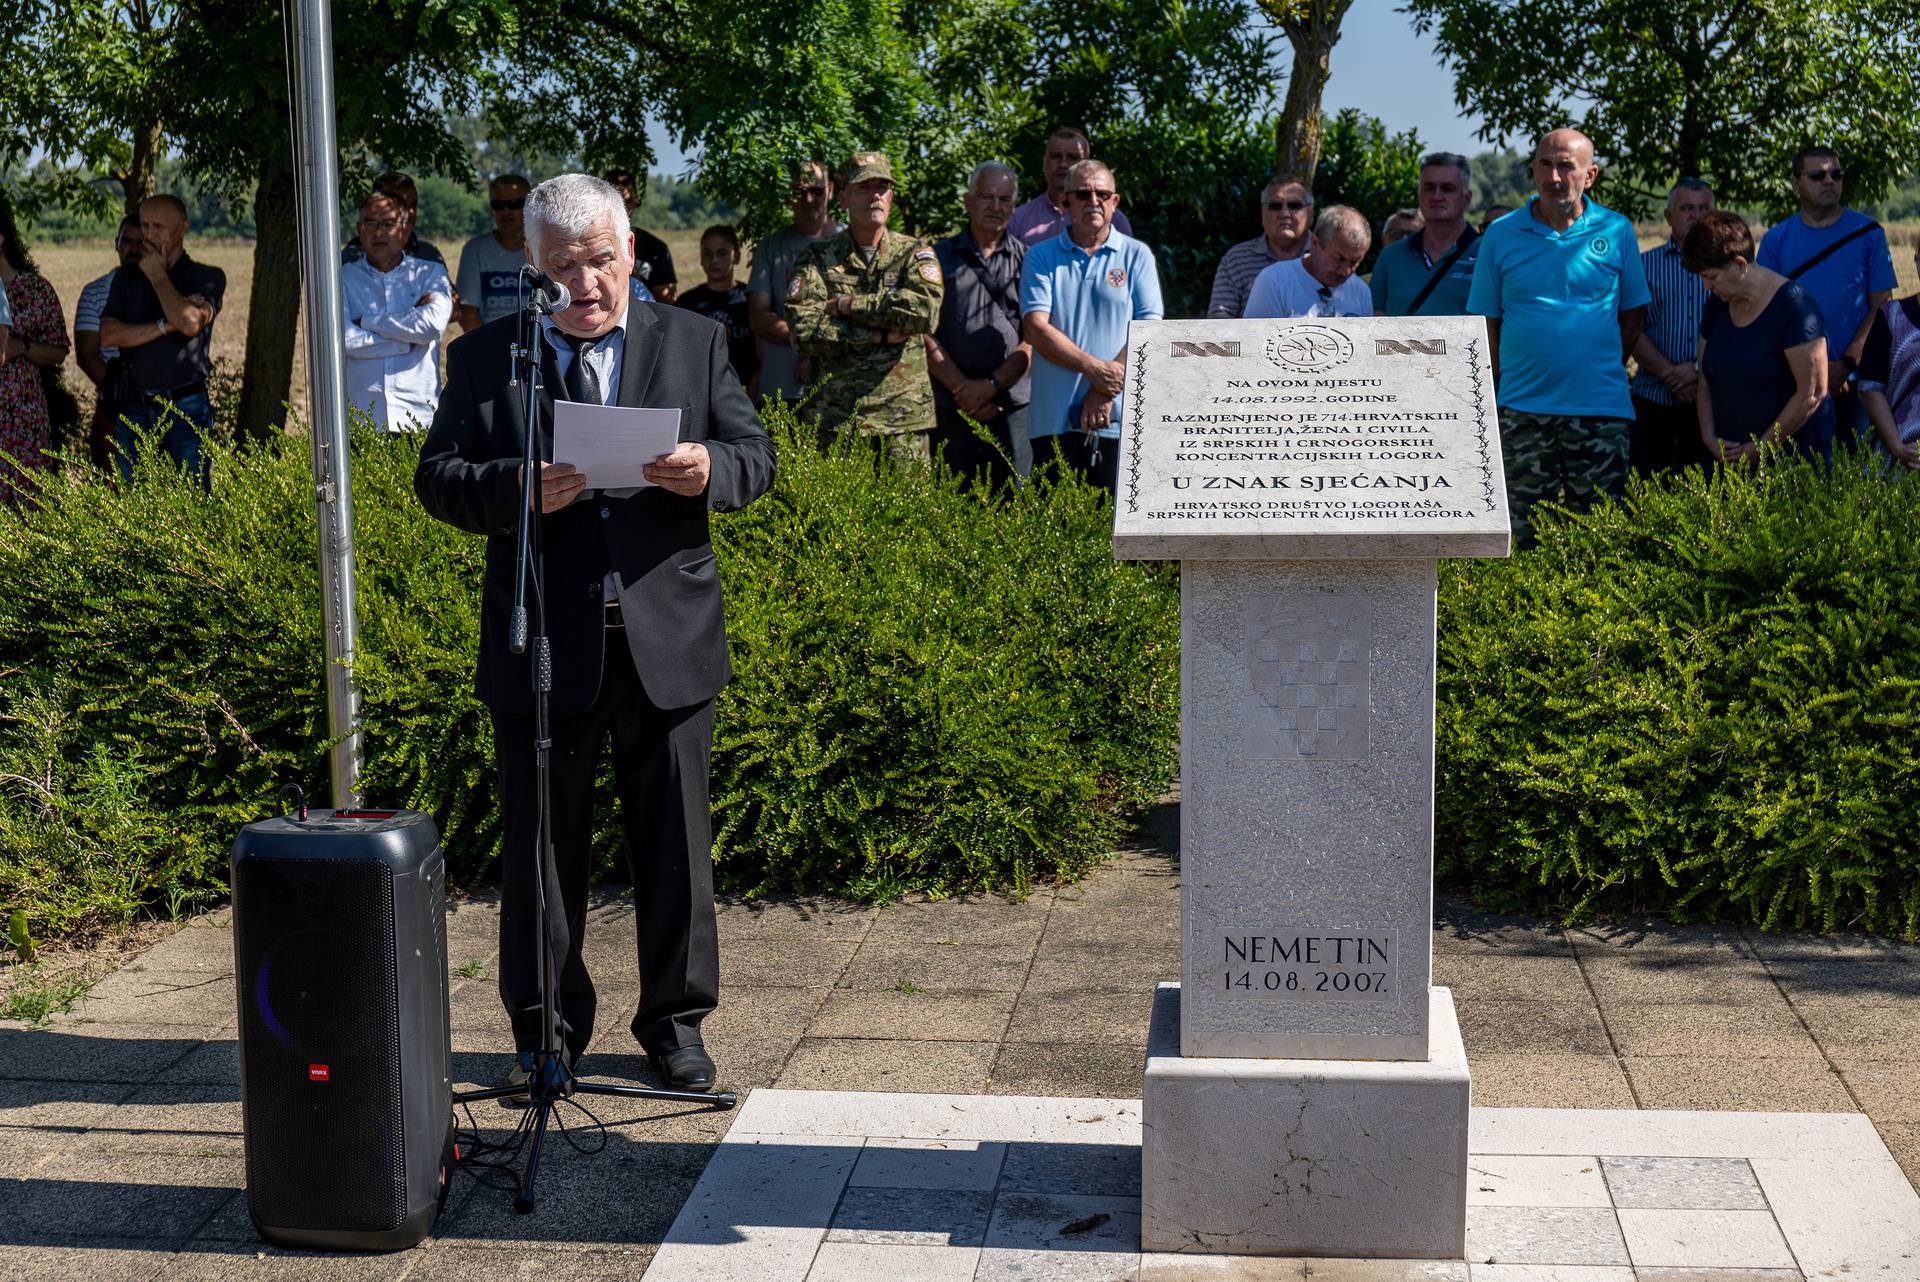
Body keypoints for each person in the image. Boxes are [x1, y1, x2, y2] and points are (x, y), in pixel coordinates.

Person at [415, 173, 774, 1098]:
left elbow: (755, 454)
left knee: (675, 848)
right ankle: (544, 1030)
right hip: (544, 638)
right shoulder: (491, 358)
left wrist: (707, 469)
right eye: (565, 265)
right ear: (533, 267)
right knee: (541, 849)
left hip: (666, 630)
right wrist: (512, 491)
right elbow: (438, 477)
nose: (587, 283)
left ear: (631, 254)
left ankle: (677, 1025)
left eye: (602, 261)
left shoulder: (693, 342)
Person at [1467, 128, 1648, 543]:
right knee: (1520, 536)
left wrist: (1593, 367)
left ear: (1591, 175)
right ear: (1533, 170)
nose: (1554, 177)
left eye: (1566, 166)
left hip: (1601, 410)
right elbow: (1485, 322)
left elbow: (1633, 316)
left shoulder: (1617, 231)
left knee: (1601, 537)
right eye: (1545, 165)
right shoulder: (1501, 234)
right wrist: (1511, 377)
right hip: (1523, 410)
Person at [787, 152, 944, 466]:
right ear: (843, 198)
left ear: (891, 196)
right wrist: (879, 335)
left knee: (909, 514)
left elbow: (924, 314)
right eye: (864, 187)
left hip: (902, 420)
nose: (875, 195)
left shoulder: (914, 253)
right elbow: (804, 332)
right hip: (834, 421)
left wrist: (847, 305)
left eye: (882, 187)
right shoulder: (816, 258)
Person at [1020, 157, 1163, 491]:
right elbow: (1036, 329)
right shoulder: (1040, 256)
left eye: (1102, 193)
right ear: (1066, 200)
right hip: (1053, 423)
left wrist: (1104, 388)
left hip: (1123, 423)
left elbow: (1150, 328)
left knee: (1118, 538)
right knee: (1054, 535)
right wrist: (1094, 369)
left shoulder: (1136, 255)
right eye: (1083, 193)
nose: (1093, 200)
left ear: (1115, 202)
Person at [1756, 147, 1897, 449]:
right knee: (1800, 479)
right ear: (1795, 184)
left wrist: (1845, 364)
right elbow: (1767, 314)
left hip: (1857, 385)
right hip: (1796, 386)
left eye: (1836, 174)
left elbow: (1882, 307)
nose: (1829, 181)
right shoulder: (1775, 240)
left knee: (1858, 481)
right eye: (1818, 175)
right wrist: (1814, 373)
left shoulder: (1869, 233)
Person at [1685, 210, 1831, 467]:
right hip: (1727, 463)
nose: (1707, 287)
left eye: (1712, 277)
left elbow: (1813, 392)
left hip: (1789, 467)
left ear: (1740, 265)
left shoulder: (1795, 307)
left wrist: (1760, 448)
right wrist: (1709, 438)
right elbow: (1705, 378)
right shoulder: (1716, 307)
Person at [98, 193, 224, 487]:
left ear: (183, 228)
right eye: (144, 226)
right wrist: (166, 324)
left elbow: (191, 322)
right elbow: (108, 335)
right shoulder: (126, 277)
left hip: (186, 405)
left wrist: (157, 277)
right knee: (133, 501)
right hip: (135, 405)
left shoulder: (206, 277)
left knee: (191, 501)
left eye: (158, 227)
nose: (149, 235)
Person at [925, 161, 1034, 487]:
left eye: (1005, 199)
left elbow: (1035, 337)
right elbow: (920, 332)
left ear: (1014, 206)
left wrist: (990, 385)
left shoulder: (1029, 261)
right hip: (950, 406)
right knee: (951, 507)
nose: (995, 207)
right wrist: (962, 389)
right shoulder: (936, 258)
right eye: (987, 197)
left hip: (1012, 408)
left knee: (1017, 508)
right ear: (967, 201)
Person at [343, 189, 453, 433]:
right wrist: (408, 341)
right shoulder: (343, 277)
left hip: (418, 418)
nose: (379, 232)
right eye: (370, 223)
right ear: (359, 230)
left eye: (388, 223)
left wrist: (367, 321)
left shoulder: (430, 274)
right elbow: (344, 340)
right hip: (361, 421)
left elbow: (431, 327)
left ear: (405, 230)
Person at [1628, 178, 1716, 473]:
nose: (1697, 215)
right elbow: (1632, 330)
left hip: (1713, 400)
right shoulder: (1643, 266)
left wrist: (1695, 371)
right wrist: (1669, 374)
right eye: (1687, 208)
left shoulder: (1731, 268)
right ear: (1668, 216)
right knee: (1646, 490)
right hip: (1653, 399)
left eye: (1704, 208)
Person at [747, 160, 842, 409]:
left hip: (838, 390)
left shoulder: (848, 243)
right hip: (778, 391)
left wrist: (812, 351)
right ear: (788, 196)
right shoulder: (771, 246)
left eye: (816, 191)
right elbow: (758, 317)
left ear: (830, 190)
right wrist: (812, 343)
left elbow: (857, 316)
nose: (808, 199)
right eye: (799, 192)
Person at [0, 192, 71, 502]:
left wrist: (22, 347)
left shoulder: (35, 289)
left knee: (24, 505)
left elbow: (58, 351)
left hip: (23, 420)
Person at [1371, 153, 1480, 317]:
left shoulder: (1487, 252)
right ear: (1419, 195)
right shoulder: (1390, 256)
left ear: (1467, 198)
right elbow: (1373, 324)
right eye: (1429, 188)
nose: (1437, 196)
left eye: (1447, 188)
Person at [74, 216, 143, 471]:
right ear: (117, 244)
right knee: (112, 487)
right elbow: (86, 355)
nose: (134, 248)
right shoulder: (95, 291)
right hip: (113, 408)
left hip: (162, 405)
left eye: (141, 242)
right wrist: (119, 391)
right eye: (127, 241)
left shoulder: (166, 292)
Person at [1207, 175, 1313, 319]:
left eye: (1294, 205)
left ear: (1310, 214)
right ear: (1262, 214)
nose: (1284, 213)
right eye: (1275, 206)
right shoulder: (1236, 260)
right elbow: (1219, 320)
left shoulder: (1331, 258)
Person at [1009, 127, 1134, 247]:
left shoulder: (1113, 220)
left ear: (1087, 165)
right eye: (1056, 156)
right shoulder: (1018, 220)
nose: (1063, 164)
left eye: (1073, 157)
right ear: (1044, 162)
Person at [1243, 205, 1374, 319]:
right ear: (1315, 243)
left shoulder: (1361, 292)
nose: (1346, 271)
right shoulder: (1274, 281)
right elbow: (1256, 342)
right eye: (1339, 258)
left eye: (1354, 262)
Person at [676, 224, 758, 393]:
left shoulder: (750, 300)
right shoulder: (686, 304)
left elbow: (764, 351)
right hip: (700, 391)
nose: (714, 260)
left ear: (737, 256)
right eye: (707, 254)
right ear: (700, 257)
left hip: (746, 391)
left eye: (722, 253)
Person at [1860, 239, 1920, 469]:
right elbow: (1869, 389)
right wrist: (1898, 447)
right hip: (1892, 461)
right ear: (1916, 260)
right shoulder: (1891, 317)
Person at [455, 174, 532, 332]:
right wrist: (489, 352)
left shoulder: (545, 248)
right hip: (489, 345)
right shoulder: (475, 250)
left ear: (530, 207)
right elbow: (468, 314)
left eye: (514, 204)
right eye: (498, 205)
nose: (506, 211)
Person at [342, 171, 446, 269]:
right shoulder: (351, 258)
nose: (410, 212)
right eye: (401, 204)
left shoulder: (428, 254)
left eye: (413, 205)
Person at [604, 169, 678, 304]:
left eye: (626, 202)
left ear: (635, 201)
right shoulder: (587, 243)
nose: (621, 209)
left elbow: (668, 302)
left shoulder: (656, 248)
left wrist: (636, 281)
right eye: (614, 202)